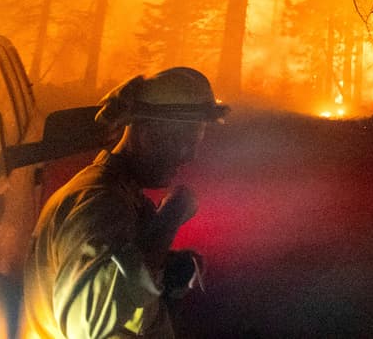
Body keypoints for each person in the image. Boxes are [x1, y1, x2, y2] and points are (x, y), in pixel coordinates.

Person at [23, 67, 228, 339]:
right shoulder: (100, 203)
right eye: (184, 142)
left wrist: (162, 267)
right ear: (146, 133)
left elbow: (116, 283)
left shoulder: (120, 197)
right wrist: (170, 218)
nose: (190, 156)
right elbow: (90, 323)